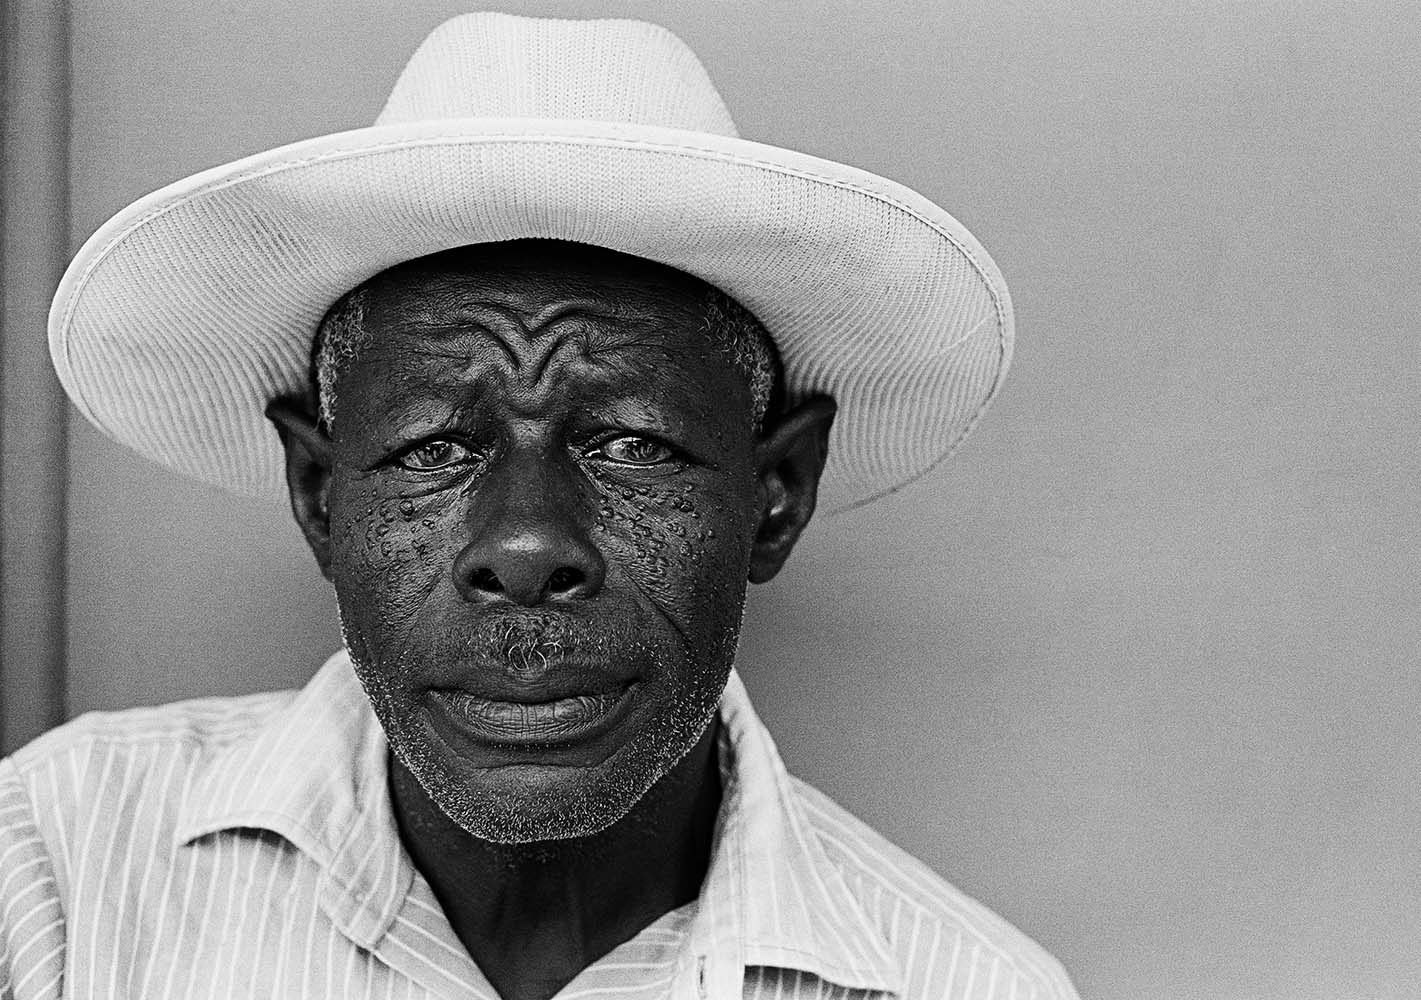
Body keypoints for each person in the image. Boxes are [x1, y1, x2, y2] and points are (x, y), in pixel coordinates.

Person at [2, 13, 1078, 1000]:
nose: (524, 543)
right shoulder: (53, 867)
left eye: (631, 443)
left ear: (776, 495)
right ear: (320, 494)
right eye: (432, 446)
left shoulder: (960, 984)